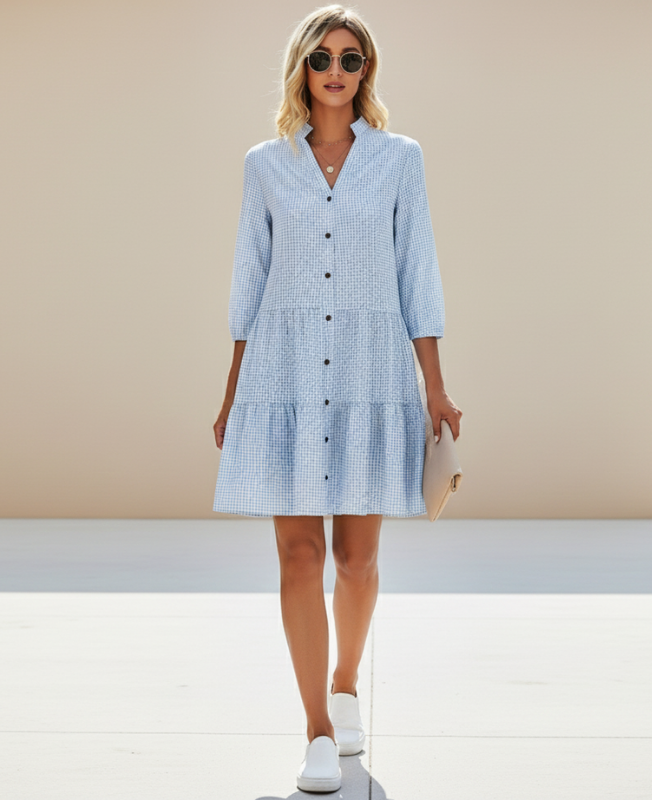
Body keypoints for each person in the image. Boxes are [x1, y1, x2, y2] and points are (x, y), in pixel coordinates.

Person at [212, 4, 462, 793]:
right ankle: (318, 729)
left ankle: (346, 683)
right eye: (321, 57)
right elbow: (249, 278)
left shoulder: (399, 159)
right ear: (302, 67)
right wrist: (233, 391)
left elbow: (418, 269)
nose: (335, 70)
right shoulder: (265, 164)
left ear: (366, 70)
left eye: (350, 58)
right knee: (299, 555)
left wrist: (436, 386)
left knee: (356, 560)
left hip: (369, 372)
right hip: (282, 373)